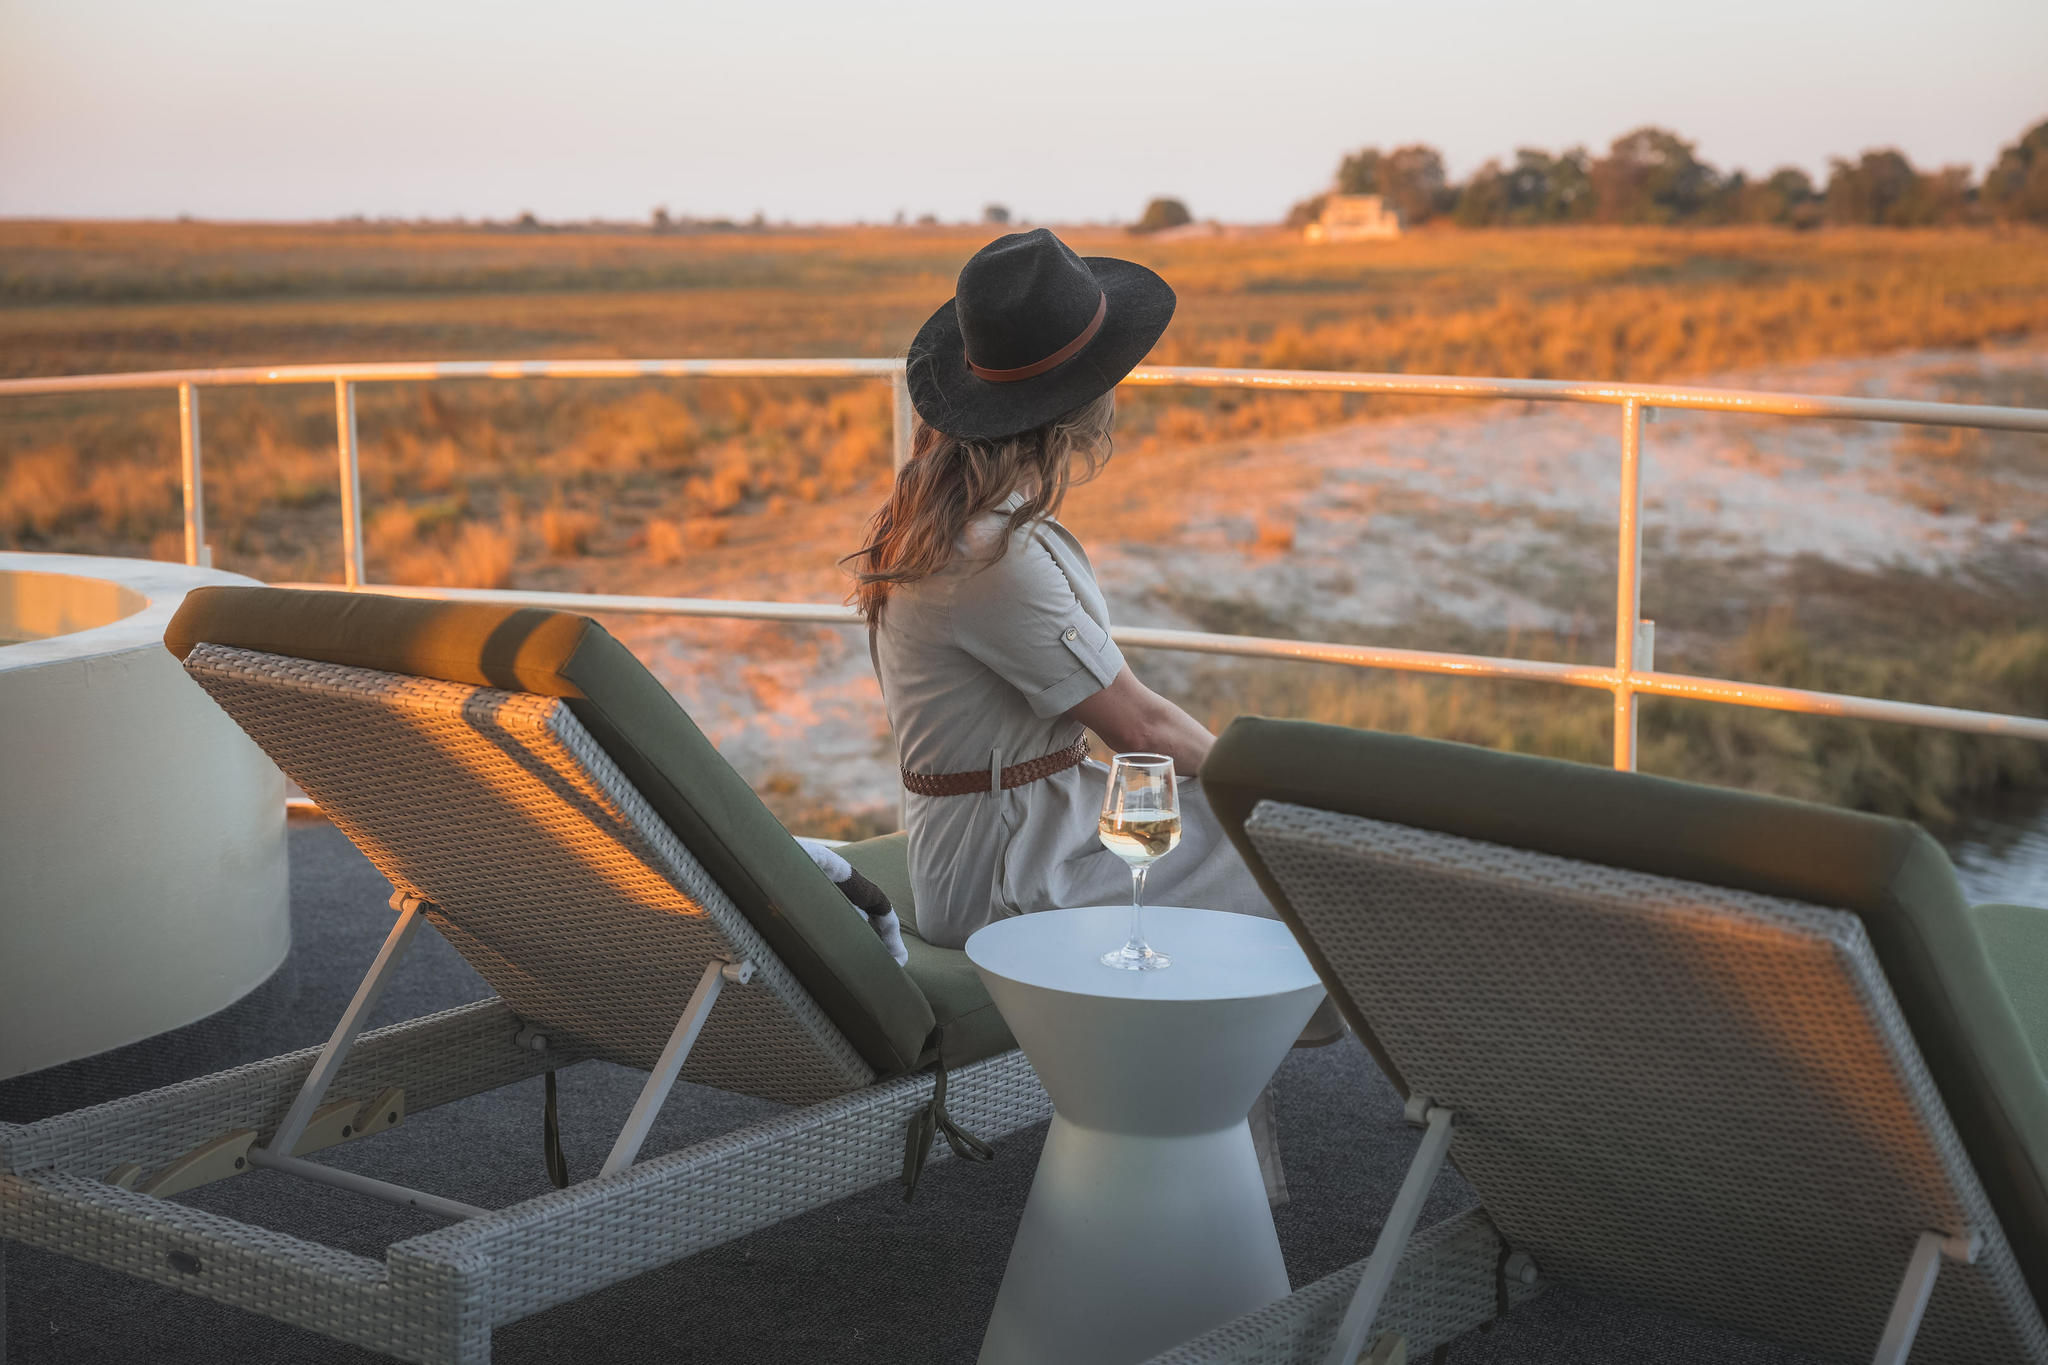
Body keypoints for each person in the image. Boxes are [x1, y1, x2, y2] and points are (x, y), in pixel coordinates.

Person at [845, 228, 1272, 952]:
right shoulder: (988, 556)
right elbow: (1140, 729)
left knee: (1237, 822)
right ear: (1080, 403)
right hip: (1007, 873)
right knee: (1276, 847)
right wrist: (1274, 790)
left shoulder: (948, 518)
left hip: (1030, 825)